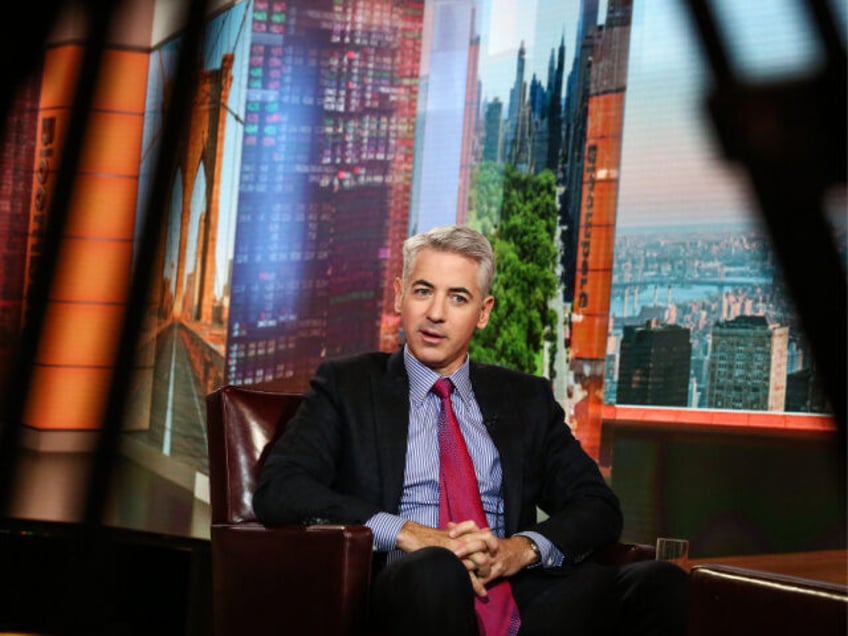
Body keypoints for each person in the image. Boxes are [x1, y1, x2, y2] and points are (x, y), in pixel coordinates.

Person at [253, 224, 687, 635]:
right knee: (436, 568)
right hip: (402, 586)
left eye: (458, 298)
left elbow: (596, 505)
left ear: (484, 312)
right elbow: (282, 488)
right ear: (400, 295)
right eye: (423, 291)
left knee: (656, 582)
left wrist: (518, 550)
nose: (436, 313)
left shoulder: (524, 399)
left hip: (512, 589)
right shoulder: (346, 385)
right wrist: (407, 533)